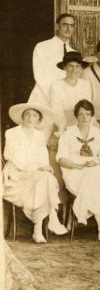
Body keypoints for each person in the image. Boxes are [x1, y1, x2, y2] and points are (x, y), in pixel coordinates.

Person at [3, 102, 68, 243]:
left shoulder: (39, 136)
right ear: (22, 117)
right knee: (44, 179)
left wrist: (45, 166)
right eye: (27, 114)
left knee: (45, 178)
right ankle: (50, 219)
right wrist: (38, 167)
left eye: (34, 115)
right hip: (16, 177)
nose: (30, 118)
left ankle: (41, 228)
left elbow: (43, 159)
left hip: (35, 177)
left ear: (38, 120)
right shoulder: (12, 133)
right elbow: (13, 156)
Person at [57, 99, 100, 241]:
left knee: (93, 173)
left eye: (88, 114)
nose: (84, 118)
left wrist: (95, 164)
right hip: (74, 172)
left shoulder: (99, 135)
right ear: (76, 116)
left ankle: (81, 213)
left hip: (96, 171)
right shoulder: (67, 134)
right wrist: (80, 166)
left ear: (92, 116)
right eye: (81, 114)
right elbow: (61, 159)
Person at [29, 13, 76, 106]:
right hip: (43, 98)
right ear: (57, 26)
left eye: (71, 25)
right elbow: (40, 76)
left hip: (64, 101)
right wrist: (54, 98)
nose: (68, 29)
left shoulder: (74, 53)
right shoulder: (42, 46)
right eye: (65, 25)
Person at [49, 51, 93, 134]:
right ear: (65, 67)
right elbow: (57, 111)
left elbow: (88, 108)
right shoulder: (56, 85)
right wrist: (63, 128)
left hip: (83, 124)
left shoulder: (85, 85)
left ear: (81, 68)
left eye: (77, 66)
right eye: (70, 66)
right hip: (63, 126)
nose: (74, 70)